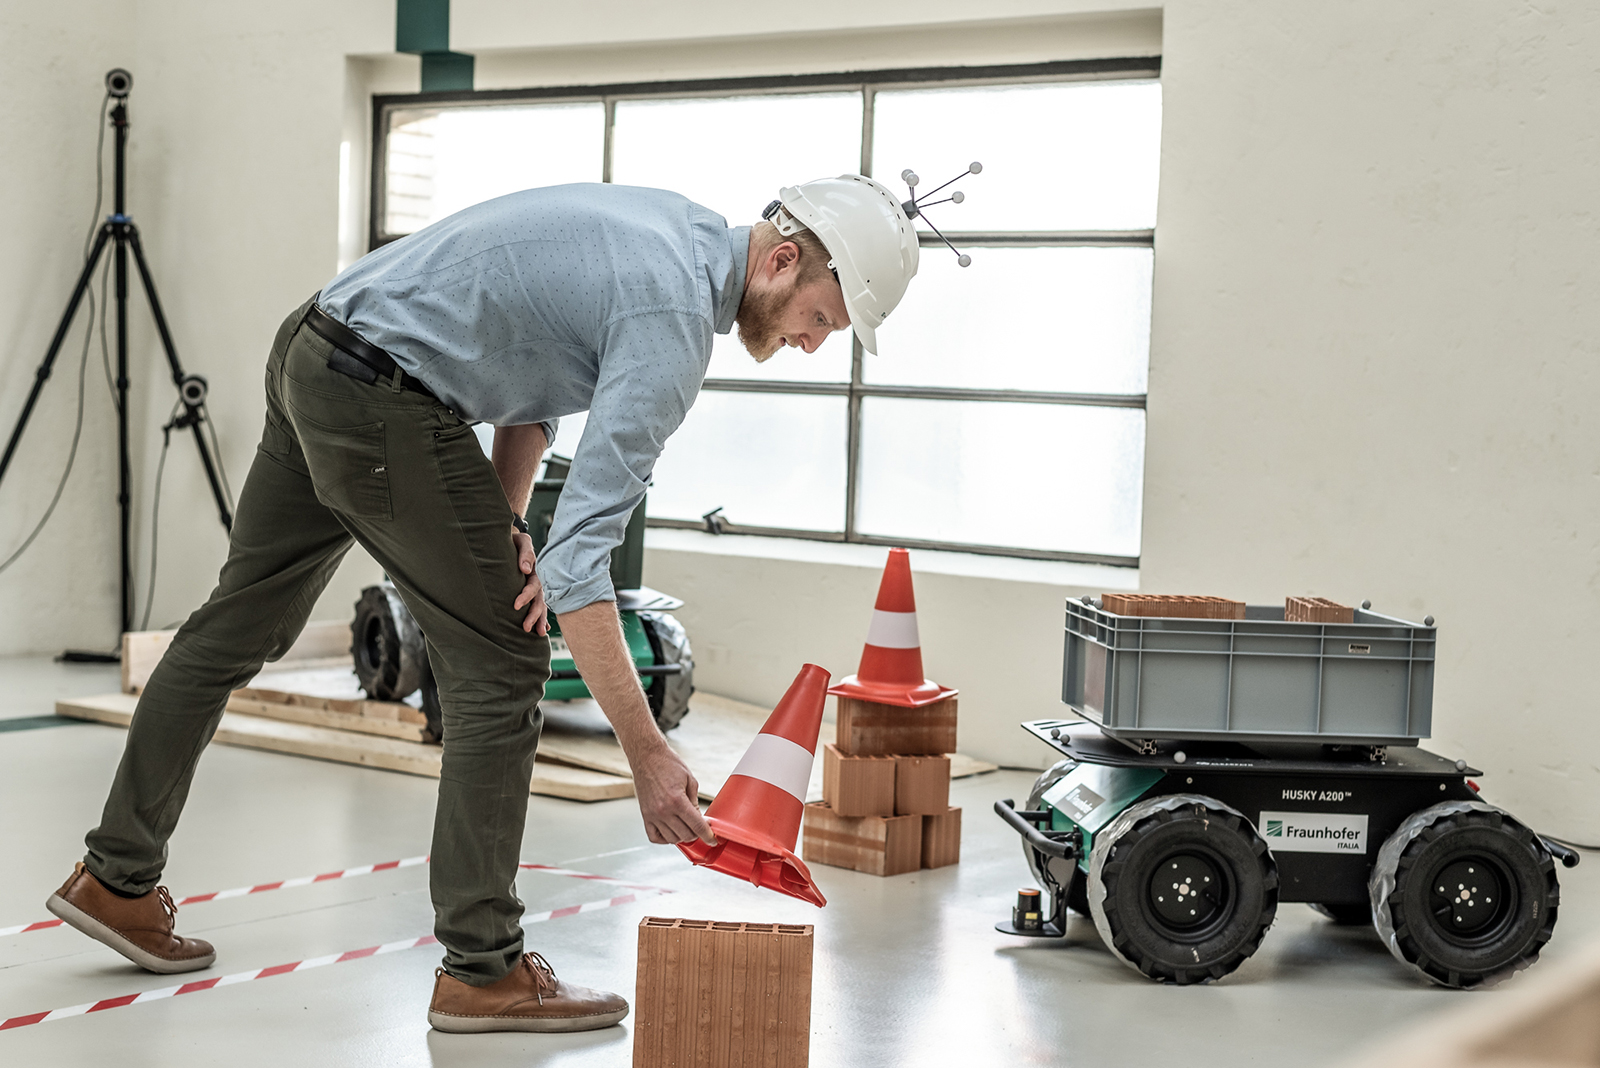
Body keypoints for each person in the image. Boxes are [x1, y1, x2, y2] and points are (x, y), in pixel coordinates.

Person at [44, 175, 921, 1032]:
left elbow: (527, 373)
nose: (813, 343)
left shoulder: (673, 230)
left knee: (241, 622)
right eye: (819, 320)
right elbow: (577, 569)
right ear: (783, 260)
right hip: (384, 394)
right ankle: (484, 969)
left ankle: (114, 879)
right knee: (505, 658)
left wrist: (498, 517)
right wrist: (648, 756)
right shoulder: (673, 328)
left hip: (314, 345)